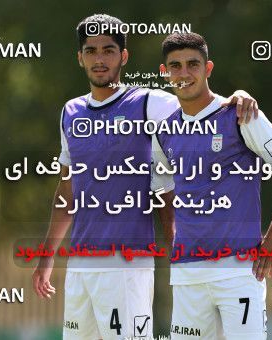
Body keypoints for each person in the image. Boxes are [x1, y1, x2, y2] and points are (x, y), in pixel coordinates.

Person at [32, 14, 259, 340]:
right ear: (79, 57)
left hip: (127, 264)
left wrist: (236, 97)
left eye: (108, 50)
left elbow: (201, 103)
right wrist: (46, 258)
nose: (99, 59)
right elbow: (68, 190)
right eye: (91, 50)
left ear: (123, 57)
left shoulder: (148, 103)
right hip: (81, 264)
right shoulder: (70, 112)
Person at [155, 32, 272, 339]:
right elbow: (164, 187)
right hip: (188, 274)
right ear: (164, 72)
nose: (184, 73)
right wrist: (173, 237)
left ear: (208, 68)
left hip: (239, 271)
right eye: (175, 66)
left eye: (192, 64)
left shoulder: (241, 114)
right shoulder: (164, 130)